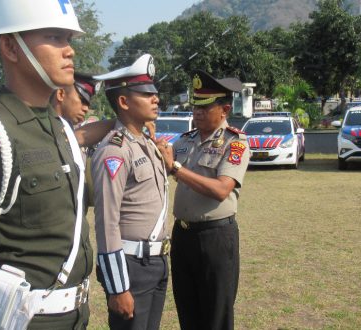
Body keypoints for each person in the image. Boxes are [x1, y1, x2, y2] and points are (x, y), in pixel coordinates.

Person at [0, 1, 113, 329]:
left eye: (69, 39)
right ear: (10, 46)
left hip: (75, 317)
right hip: (25, 320)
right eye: (55, 37)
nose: (69, 51)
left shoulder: (60, 129)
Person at [157, 70, 250, 330]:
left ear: (225, 109)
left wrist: (175, 168)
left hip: (215, 238)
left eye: (205, 107)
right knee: (188, 310)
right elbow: (161, 162)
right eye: (195, 107)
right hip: (183, 236)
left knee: (216, 315)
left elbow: (222, 189)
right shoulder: (186, 140)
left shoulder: (236, 143)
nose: (197, 113)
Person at [91, 54, 170, 330]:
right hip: (131, 267)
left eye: (155, 93)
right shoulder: (115, 150)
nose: (155, 99)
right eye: (146, 94)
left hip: (156, 262)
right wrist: (117, 287)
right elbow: (107, 222)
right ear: (123, 102)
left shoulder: (145, 143)